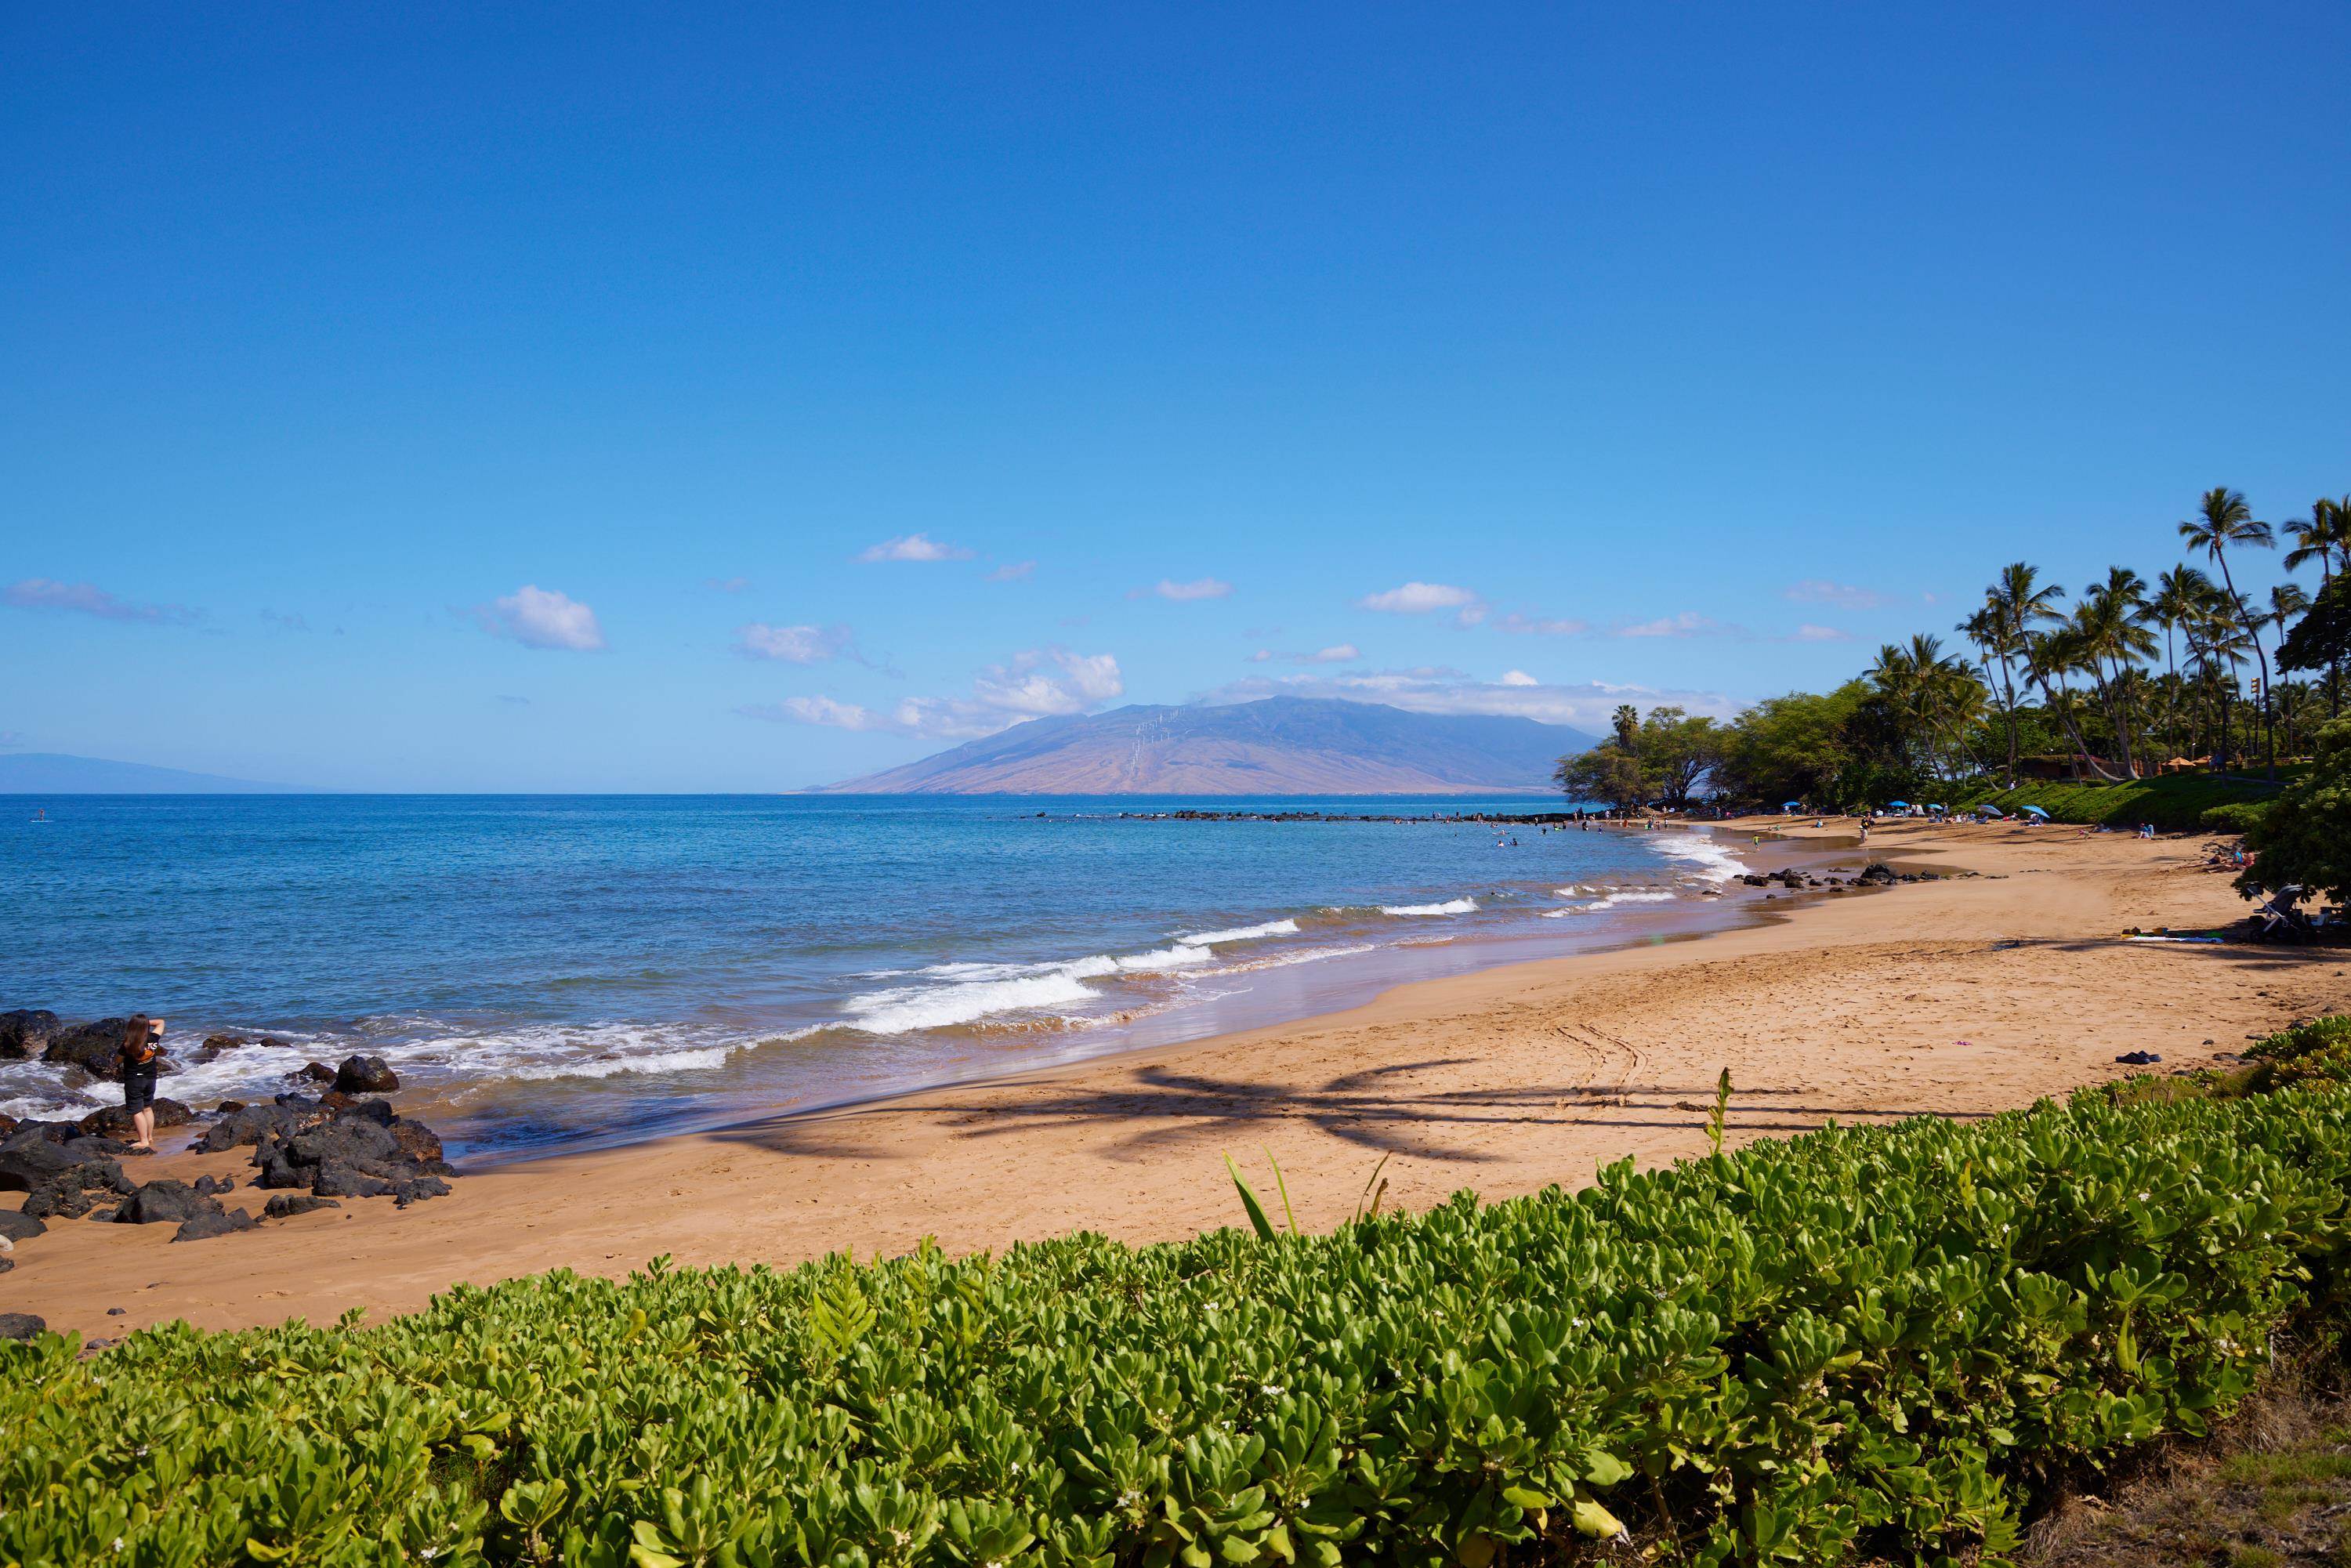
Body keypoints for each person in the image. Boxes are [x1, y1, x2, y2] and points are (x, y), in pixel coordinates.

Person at [120, 1014, 165, 1153]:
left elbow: (117, 1060)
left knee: (136, 1111)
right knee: (147, 1108)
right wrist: (145, 1023)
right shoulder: (153, 1038)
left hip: (134, 1080)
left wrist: (138, 1025)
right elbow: (161, 1022)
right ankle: (149, 1137)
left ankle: (143, 1140)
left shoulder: (128, 1044)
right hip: (151, 1078)